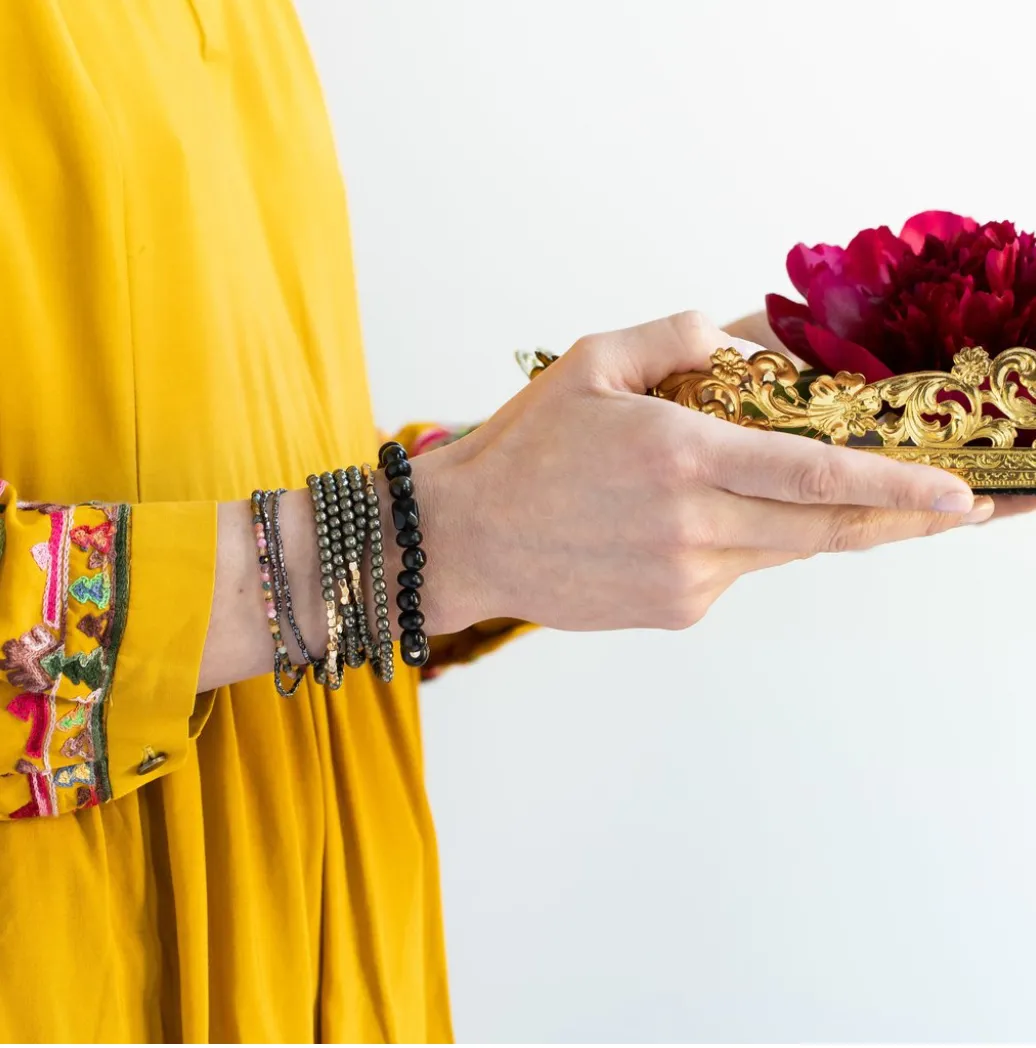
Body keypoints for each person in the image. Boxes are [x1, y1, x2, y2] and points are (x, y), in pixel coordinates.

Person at [0, 3, 1011, 1043]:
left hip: (327, 917)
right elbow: (340, 547)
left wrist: (685, 426)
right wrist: (412, 541)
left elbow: (238, 471)